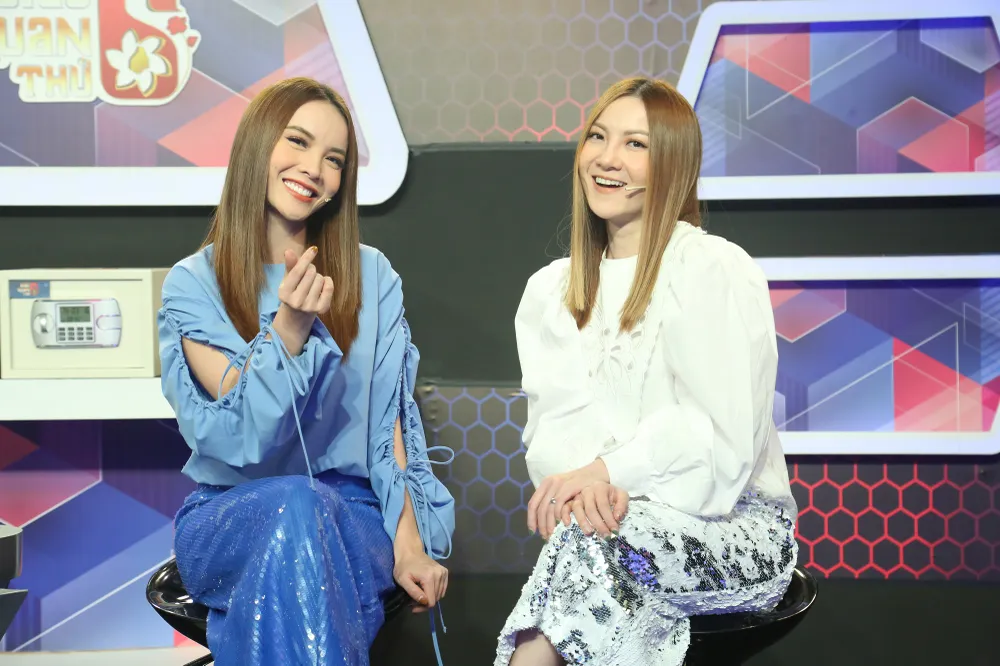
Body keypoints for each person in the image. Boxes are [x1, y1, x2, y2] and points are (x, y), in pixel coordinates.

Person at [494, 77, 798, 666]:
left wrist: (609, 472)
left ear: (673, 164)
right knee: (593, 541)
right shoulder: (551, 290)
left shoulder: (711, 268)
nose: (608, 159)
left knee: (595, 546)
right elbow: (554, 437)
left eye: (636, 144)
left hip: (736, 529)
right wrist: (591, 486)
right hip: (605, 527)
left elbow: (719, 442)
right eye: (598, 137)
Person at [157, 77, 455, 666]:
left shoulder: (372, 276)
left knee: (309, 522)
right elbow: (236, 439)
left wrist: (408, 544)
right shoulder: (194, 285)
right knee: (296, 506)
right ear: (259, 143)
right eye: (297, 141)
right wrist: (289, 328)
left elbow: (388, 428)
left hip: (353, 518)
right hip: (231, 513)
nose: (314, 169)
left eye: (334, 159)